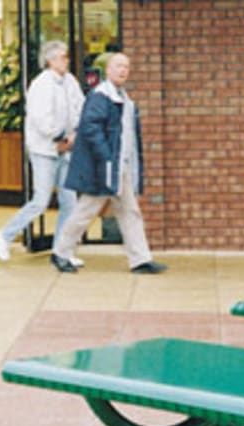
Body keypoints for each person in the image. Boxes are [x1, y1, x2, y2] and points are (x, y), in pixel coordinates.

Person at [51, 52, 168, 275]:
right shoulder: (100, 96)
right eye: (118, 66)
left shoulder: (121, 97)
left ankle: (140, 259)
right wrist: (106, 157)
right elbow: (91, 128)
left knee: (129, 211)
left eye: (126, 66)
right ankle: (61, 252)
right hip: (104, 168)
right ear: (108, 70)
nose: (123, 70)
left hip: (116, 167)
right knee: (86, 211)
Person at [0, 41, 85, 265]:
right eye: (63, 57)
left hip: (66, 149)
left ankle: (61, 251)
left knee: (69, 202)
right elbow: (41, 119)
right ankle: (5, 235)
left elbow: (80, 108)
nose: (67, 60)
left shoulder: (70, 81)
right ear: (50, 60)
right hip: (45, 150)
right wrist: (60, 137)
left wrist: (73, 136)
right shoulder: (41, 84)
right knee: (41, 200)